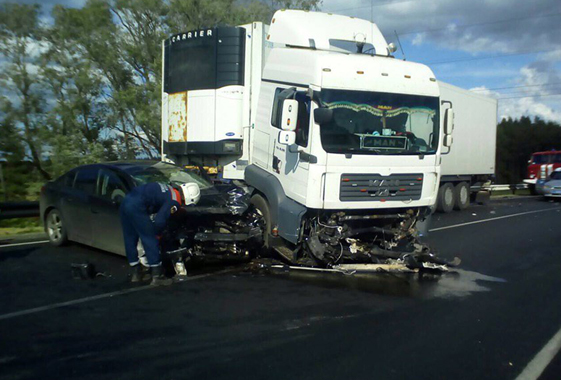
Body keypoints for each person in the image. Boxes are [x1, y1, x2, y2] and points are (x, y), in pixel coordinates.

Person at [120, 181, 201, 285]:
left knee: (130, 238)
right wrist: (158, 235)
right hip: (137, 206)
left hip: (126, 201)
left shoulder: (169, 189)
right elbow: (159, 221)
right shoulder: (174, 200)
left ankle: (136, 273)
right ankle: (157, 276)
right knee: (149, 238)